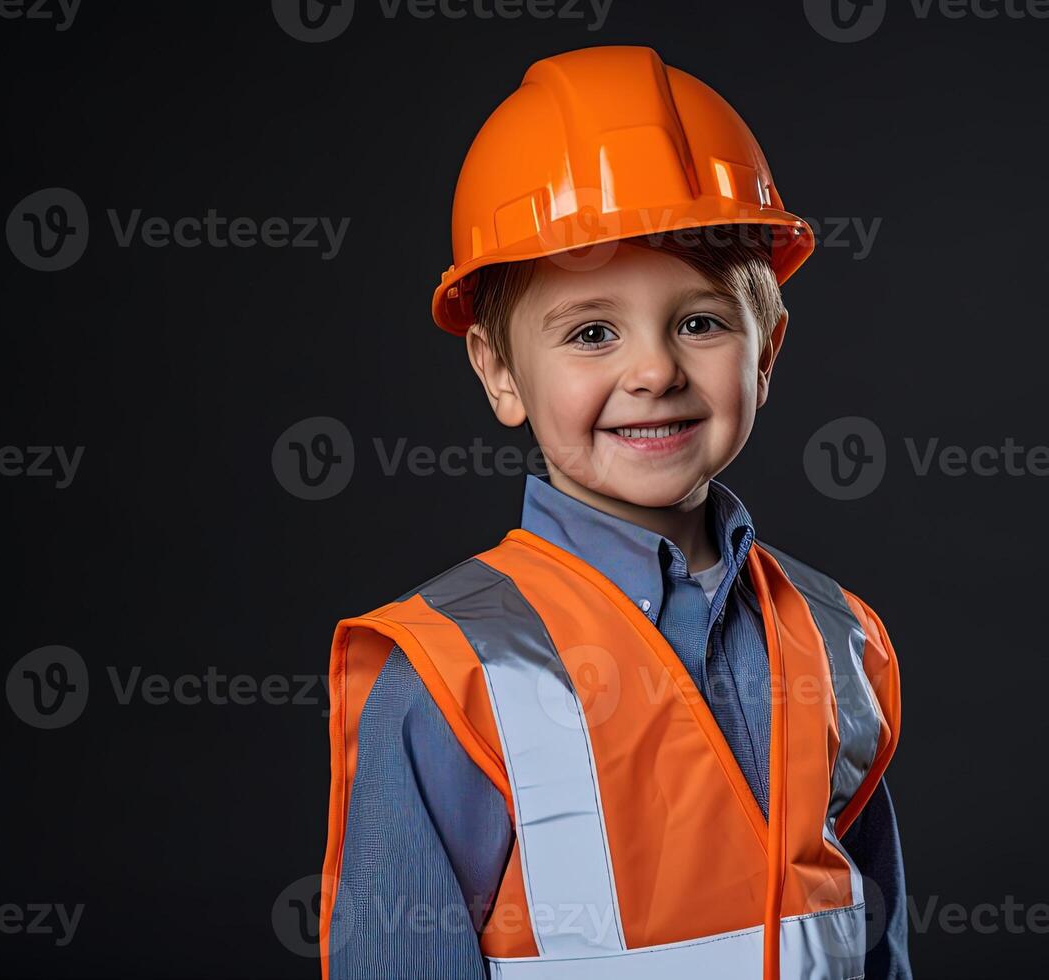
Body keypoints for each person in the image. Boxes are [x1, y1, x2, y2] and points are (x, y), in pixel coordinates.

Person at [318, 44, 910, 980]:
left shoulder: (838, 640)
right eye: (593, 332)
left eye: (701, 321)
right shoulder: (453, 673)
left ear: (768, 351)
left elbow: (869, 935)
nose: (655, 371)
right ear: (498, 371)